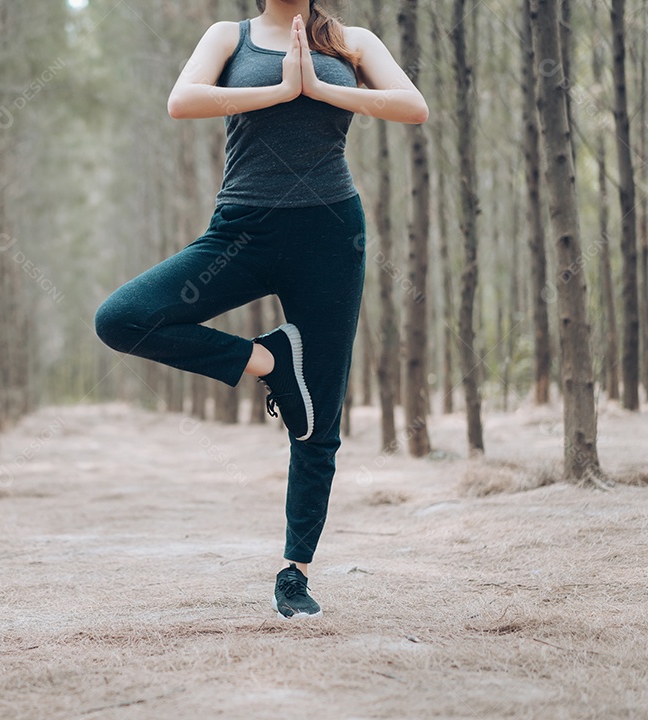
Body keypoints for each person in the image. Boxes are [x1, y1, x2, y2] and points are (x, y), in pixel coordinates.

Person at [93, 0, 427, 619]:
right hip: (241, 231)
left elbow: (413, 107)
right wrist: (279, 89)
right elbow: (182, 100)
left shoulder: (351, 40)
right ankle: (269, 361)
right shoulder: (229, 36)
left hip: (330, 232)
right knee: (121, 318)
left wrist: (321, 85)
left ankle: (294, 573)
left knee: (319, 418)